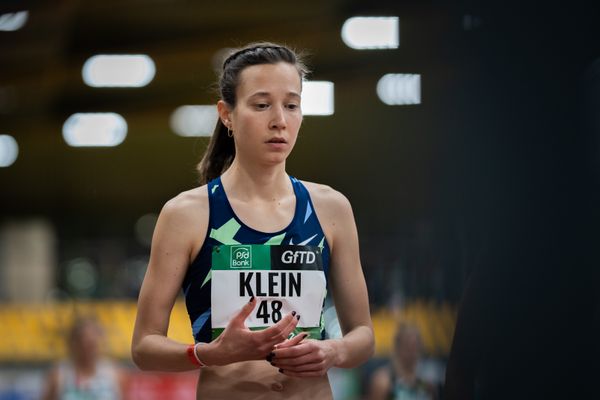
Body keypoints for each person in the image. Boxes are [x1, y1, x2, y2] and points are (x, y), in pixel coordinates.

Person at [131, 42, 374, 399]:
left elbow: (363, 336)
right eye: (261, 105)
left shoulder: (330, 208)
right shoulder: (187, 215)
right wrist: (210, 354)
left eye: (291, 105)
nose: (279, 120)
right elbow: (144, 346)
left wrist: (332, 350)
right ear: (226, 114)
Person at [43, 316, 125, 400]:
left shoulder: (114, 374)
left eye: (92, 344)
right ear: (74, 344)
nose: (88, 350)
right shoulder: (59, 376)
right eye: (84, 344)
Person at [366, 322, 436, 400]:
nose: (412, 352)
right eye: (408, 346)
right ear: (397, 347)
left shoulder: (427, 383)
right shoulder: (383, 382)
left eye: (415, 346)